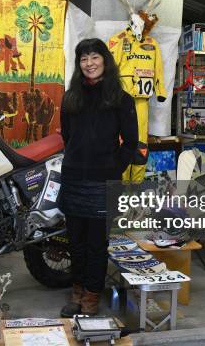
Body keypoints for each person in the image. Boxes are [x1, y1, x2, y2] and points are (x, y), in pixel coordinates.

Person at [59, 38, 138, 317]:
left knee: (96, 245)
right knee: (75, 243)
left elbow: (131, 143)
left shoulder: (121, 99)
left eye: (94, 57)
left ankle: (91, 296)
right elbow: (67, 137)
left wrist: (112, 168)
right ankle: (77, 291)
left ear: (105, 60)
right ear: (79, 64)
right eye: (83, 58)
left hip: (103, 182)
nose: (89, 63)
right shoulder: (70, 97)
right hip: (73, 179)